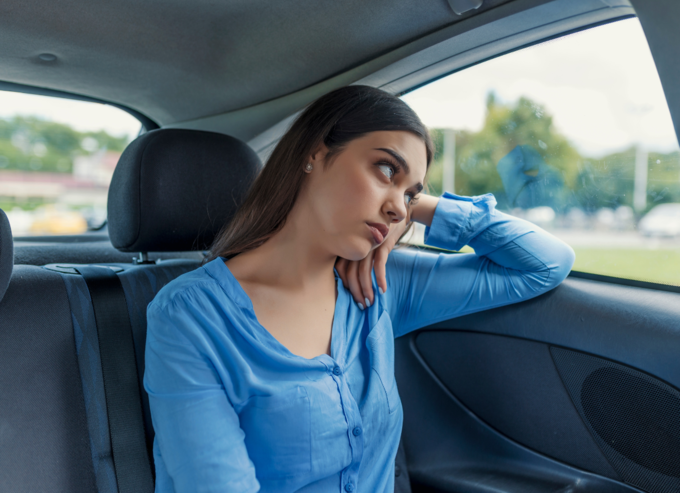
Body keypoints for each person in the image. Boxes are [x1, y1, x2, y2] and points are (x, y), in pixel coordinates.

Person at [143, 85, 575, 493]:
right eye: (386, 169)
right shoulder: (189, 315)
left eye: (409, 194)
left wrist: (417, 208)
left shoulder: (377, 286)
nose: (395, 208)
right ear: (314, 153)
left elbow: (543, 264)